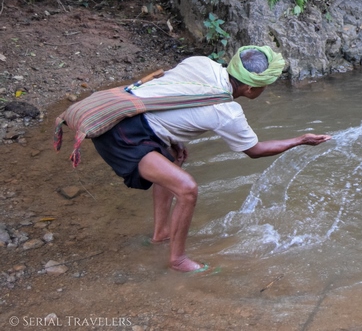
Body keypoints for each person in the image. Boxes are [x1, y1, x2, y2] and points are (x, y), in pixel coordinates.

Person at [90, 45, 331, 273]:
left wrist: (172, 138)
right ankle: (178, 261)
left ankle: (161, 233)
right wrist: (300, 140)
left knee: (173, 161)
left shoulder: (201, 63)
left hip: (119, 113)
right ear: (250, 89)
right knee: (187, 188)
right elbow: (255, 150)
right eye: (264, 86)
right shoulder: (227, 112)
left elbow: (169, 90)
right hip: (122, 135)